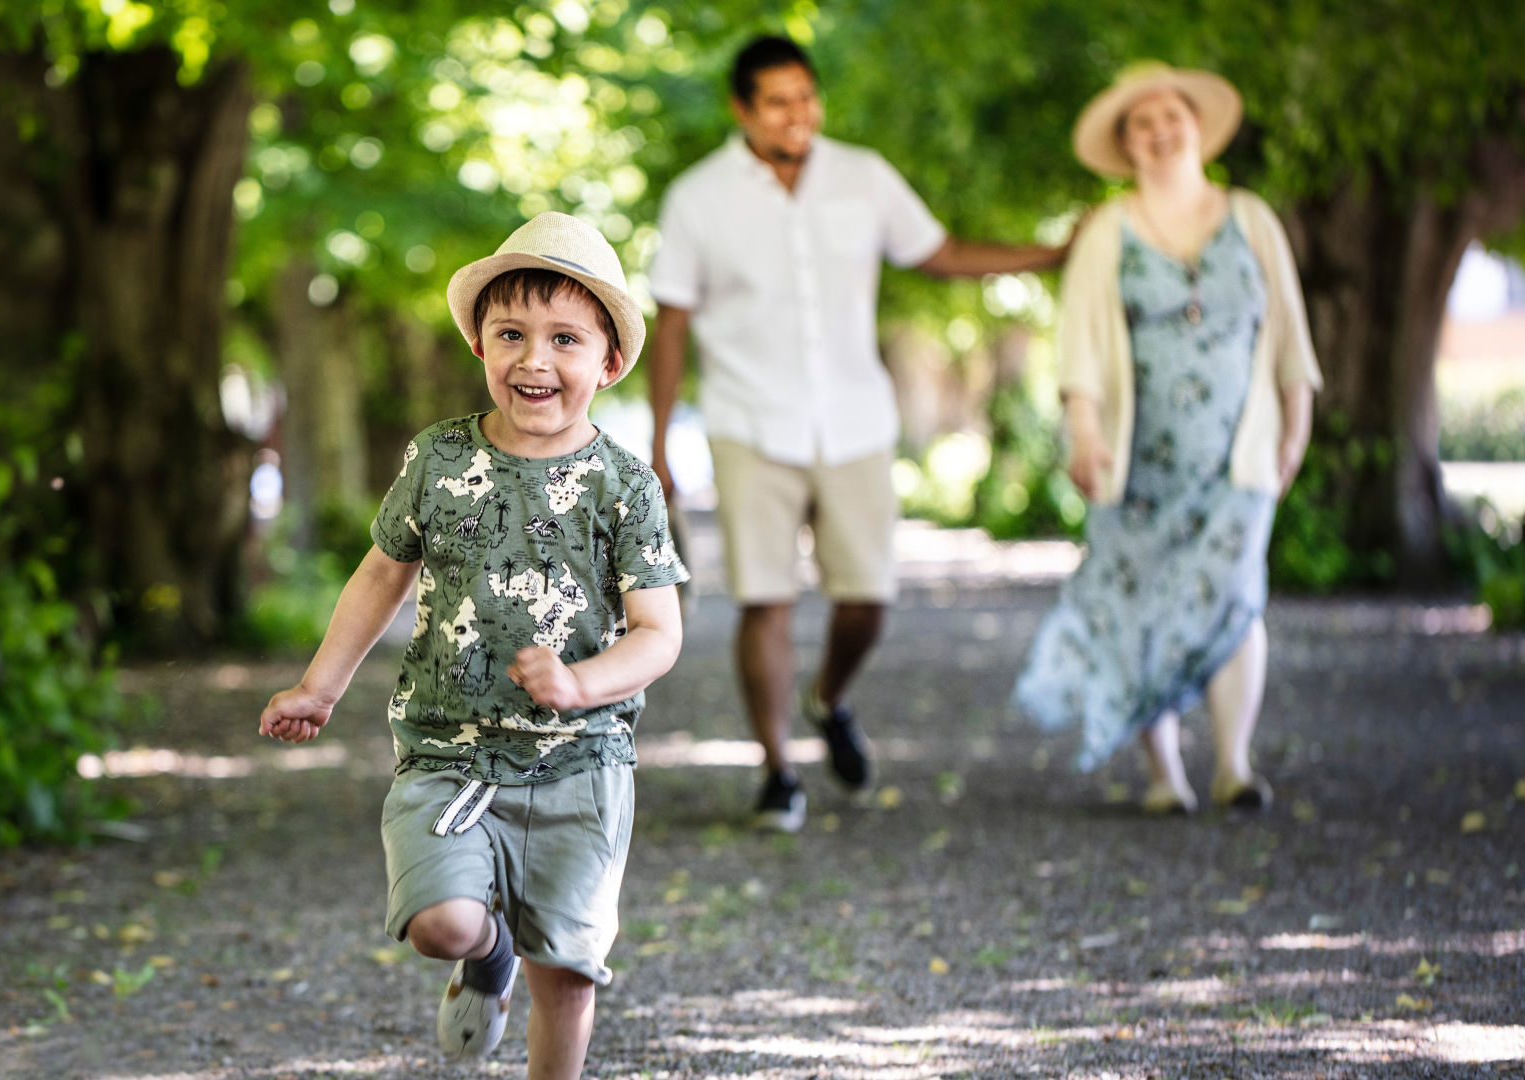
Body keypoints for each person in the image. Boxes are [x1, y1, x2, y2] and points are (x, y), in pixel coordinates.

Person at [259, 211, 688, 1079]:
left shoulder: (624, 485)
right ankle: (484, 954)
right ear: (480, 347)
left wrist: (581, 683)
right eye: (511, 334)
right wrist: (320, 687)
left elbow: (659, 634)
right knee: (440, 923)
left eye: (565, 339)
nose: (535, 359)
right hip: (454, 755)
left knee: (565, 968)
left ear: (607, 363)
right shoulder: (438, 459)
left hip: (581, 761)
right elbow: (382, 575)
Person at [647, 35, 1068, 831]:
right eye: (778, 100)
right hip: (749, 421)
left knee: (868, 599)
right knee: (764, 600)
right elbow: (672, 323)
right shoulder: (697, 197)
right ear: (742, 109)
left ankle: (828, 698)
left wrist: (1051, 253)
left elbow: (938, 253)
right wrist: (661, 447)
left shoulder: (863, 176)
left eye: (807, 96)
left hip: (854, 420)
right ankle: (776, 770)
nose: (798, 114)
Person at [1012, 63, 1321, 814]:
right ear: (1127, 144)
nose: (1158, 130)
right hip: (1138, 455)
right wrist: (1084, 434)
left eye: (1170, 116)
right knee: (1145, 600)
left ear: (1195, 125)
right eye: (1140, 123)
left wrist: (1295, 428)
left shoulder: (1251, 217)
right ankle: (1164, 774)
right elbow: (1080, 343)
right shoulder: (1108, 229)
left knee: (1237, 591)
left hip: (1241, 449)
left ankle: (1234, 766)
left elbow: (1289, 336)